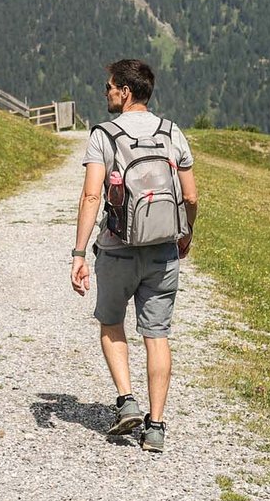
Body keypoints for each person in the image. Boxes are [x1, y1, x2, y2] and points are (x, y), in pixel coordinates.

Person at [70, 58, 199, 453]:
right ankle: (156, 426)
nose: (106, 92)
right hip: (163, 249)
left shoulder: (104, 135)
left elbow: (92, 195)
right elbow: (191, 196)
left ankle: (127, 400)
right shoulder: (171, 131)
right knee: (156, 336)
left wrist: (78, 252)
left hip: (117, 248)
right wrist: (185, 235)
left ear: (125, 92)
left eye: (110, 87)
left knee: (111, 322)